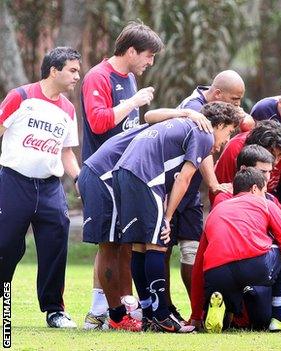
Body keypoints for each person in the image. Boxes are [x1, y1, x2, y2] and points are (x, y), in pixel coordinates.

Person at [112, 102, 241, 333]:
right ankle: (161, 316)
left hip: (123, 172)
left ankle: (150, 314)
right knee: (157, 244)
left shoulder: (185, 123)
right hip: (144, 176)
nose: (225, 140)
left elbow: (151, 117)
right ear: (219, 124)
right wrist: (168, 218)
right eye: (229, 131)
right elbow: (184, 178)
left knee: (140, 246)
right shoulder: (204, 133)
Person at [79, 109, 211, 332]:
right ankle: (118, 316)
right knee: (111, 246)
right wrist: (189, 112)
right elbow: (150, 115)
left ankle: (144, 313)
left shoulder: (171, 132)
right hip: (103, 174)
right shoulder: (189, 129)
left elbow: (150, 116)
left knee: (135, 244)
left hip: (118, 175)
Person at [144, 69, 247, 323]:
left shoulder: (214, 108)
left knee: (192, 249)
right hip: (171, 188)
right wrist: (213, 184)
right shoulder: (194, 108)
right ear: (218, 94)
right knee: (162, 248)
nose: (238, 106)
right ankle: (163, 310)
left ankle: (197, 311)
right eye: (234, 100)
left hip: (188, 194)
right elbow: (205, 147)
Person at [80, 22, 163, 330]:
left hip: (125, 174)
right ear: (131, 51)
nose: (150, 63)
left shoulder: (128, 78)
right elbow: (99, 122)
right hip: (101, 174)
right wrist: (133, 102)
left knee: (125, 244)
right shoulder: (98, 77)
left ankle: (116, 313)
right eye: (148, 55)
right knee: (108, 244)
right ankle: (103, 312)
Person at [189, 145, 281, 331]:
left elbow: (203, 254)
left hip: (216, 271)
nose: (268, 177)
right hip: (256, 267)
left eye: (270, 171)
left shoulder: (219, 208)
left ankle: (223, 310)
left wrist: (196, 315)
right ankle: (277, 315)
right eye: (262, 171)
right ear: (247, 173)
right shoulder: (258, 201)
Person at [0, 47, 81, 328]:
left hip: (49, 187)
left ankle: (54, 310)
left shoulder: (68, 109)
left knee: (56, 241)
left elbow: (67, 152)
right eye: (72, 70)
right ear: (53, 70)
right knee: (5, 244)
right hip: (13, 182)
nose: (77, 76)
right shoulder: (20, 97)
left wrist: (80, 179)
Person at [215, 120, 281, 219]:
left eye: (280, 156)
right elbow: (221, 187)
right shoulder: (234, 148)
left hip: (271, 206)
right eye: (272, 155)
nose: (276, 161)